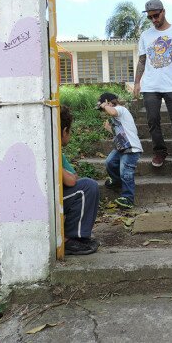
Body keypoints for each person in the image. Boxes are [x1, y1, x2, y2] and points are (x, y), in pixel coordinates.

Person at [134, 0, 172, 175]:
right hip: (150, 86)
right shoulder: (145, 35)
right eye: (150, 17)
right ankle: (159, 152)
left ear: (163, 12)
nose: (153, 20)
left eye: (156, 16)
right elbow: (142, 60)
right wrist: (137, 82)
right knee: (152, 121)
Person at [60, 105, 100, 255]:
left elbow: (73, 175)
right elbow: (71, 181)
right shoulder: (52, 152)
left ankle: (80, 236)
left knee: (86, 185)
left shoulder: (59, 153)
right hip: (45, 202)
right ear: (64, 131)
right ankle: (70, 240)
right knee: (87, 187)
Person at [97, 92, 143, 209]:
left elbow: (112, 111)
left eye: (103, 108)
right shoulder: (116, 116)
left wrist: (104, 105)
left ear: (108, 102)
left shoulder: (120, 109)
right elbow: (120, 135)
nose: (104, 112)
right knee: (110, 162)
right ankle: (117, 181)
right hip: (122, 146)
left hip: (131, 147)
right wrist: (110, 130)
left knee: (126, 172)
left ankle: (128, 198)